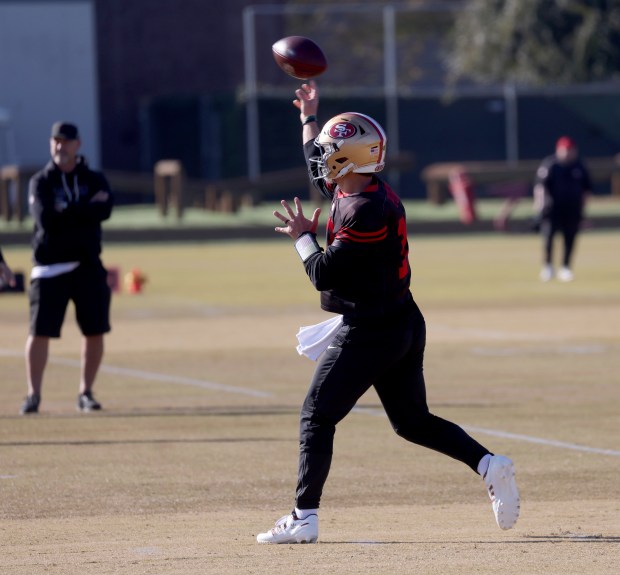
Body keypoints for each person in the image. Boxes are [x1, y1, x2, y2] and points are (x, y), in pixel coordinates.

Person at [256, 81, 520, 544]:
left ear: (347, 160)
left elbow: (321, 273)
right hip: (400, 320)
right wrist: (308, 116)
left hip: (371, 330)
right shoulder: (359, 184)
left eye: (331, 152)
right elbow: (316, 162)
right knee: (412, 421)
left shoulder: (363, 211)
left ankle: (303, 517)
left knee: (316, 417)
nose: (321, 161)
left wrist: (301, 235)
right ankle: (489, 465)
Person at [20, 122, 113, 415]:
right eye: (55, 141)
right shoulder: (41, 182)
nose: (60, 147)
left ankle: (85, 392)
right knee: (40, 332)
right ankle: (33, 395)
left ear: (78, 144)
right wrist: (83, 212)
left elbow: (105, 209)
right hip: (49, 268)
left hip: (87, 266)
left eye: (66, 141)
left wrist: (68, 212)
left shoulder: (94, 179)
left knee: (94, 330)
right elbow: (46, 218)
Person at [534, 136, 591, 282]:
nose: (567, 153)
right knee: (548, 238)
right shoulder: (550, 165)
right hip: (552, 209)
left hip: (572, 209)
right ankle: (547, 267)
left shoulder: (579, 166)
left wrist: (583, 210)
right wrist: (540, 207)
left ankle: (565, 268)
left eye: (570, 150)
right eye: (565, 150)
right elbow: (540, 187)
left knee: (570, 238)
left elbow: (586, 190)